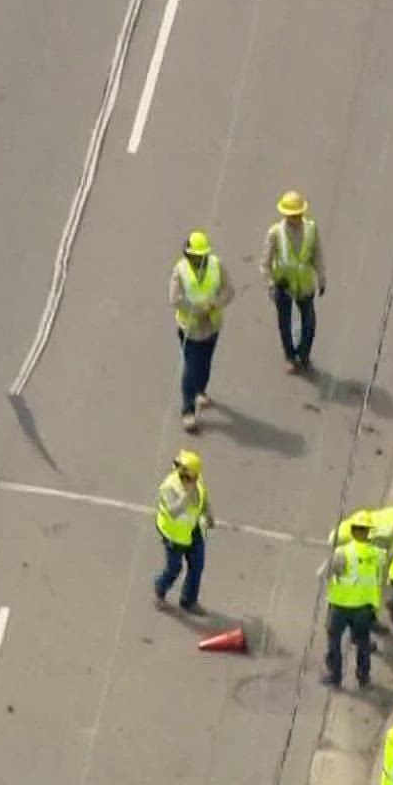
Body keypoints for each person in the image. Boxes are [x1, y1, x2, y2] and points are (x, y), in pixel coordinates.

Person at [171, 230, 236, 433]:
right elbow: (175, 299)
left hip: (212, 324)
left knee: (205, 362)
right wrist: (197, 309)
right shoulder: (180, 270)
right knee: (191, 367)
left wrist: (214, 305)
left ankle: (200, 390)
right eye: (196, 256)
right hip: (190, 327)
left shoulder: (217, 265)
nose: (199, 259)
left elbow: (229, 290)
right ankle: (188, 410)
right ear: (188, 254)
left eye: (202, 256)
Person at [261, 190, 326, 374]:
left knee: (309, 324)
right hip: (284, 286)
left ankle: (304, 356)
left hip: (305, 285)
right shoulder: (275, 233)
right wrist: (271, 285)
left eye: (297, 215)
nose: (294, 219)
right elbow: (264, 263)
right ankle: (290, 356)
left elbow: (317, 254)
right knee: (286, 323)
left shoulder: (311, 229)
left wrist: (321, 277)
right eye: (291, 216)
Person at [323, 510, 385, 689]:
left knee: (334, 640)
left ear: (352, 530)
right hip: (364, 607)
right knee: (363, 642)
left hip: (340, 606)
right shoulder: (378, 554)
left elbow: (329, 574)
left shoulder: (342, 552)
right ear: (367, 532)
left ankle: (335, 676)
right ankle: (363, 678)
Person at [153, 449, 217, 614]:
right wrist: (186, 497)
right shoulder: (168, 487)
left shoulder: (197, 479)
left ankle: (188, 601)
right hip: (174, 535)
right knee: (174, 568)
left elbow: (204, 498)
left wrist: (208, 514)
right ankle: (160, 590)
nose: (194, 479)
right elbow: (173, 512)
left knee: (197, 565)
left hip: (192, 529)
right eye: (190, 476)